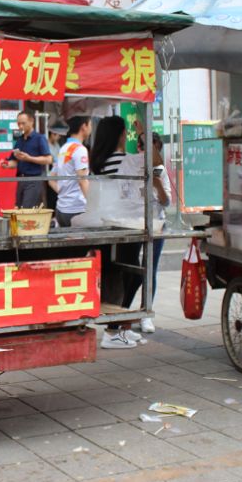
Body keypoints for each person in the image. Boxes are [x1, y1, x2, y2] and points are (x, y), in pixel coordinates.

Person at [89, 116, 147, 349]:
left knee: (117, 274)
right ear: (121, 135)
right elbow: (155, 161)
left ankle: (120, 326)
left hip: (105, 223)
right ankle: (113, 330)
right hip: (125, 224)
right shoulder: (123, 160)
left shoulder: (100, 161)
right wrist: (143, 134)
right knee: (133, 275)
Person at [121, 130, 172, 335]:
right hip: (133, 225)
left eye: (154, 149)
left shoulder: (161, 170)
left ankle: (145, 314)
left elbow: (167, 201)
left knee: (150, 269)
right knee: (131, 269)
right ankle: (123, 313)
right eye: (145, 148)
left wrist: (157, 185)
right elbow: (123, 195)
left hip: (156, 225)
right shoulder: (130, 166)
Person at [0, 111, 52, 208]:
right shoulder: (20, 140)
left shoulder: (39, 138)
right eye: (18, 124)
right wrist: (6, 164)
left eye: (23, 123)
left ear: (31, 121)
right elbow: (14, 161)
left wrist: (29, 158)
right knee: (18, 208)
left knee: (27, 209)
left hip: (34, 179)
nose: (20, 126)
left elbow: (48, 159)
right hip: (21, 179)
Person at [54, 116, 91, 227]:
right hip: (76, 209)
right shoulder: (80, 149)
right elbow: (82, 180)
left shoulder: (64, 148)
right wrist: (94, 204)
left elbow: (51, 178)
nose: (91, 128)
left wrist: (63, 192)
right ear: (84, 126)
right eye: (90, 125)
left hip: (61, 208)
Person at [44, 120, 67, 211]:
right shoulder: (46, 144)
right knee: (51, 197)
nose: (59, 137)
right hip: (49, 173)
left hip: (58, 174)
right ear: (52, 134)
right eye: (58, 135)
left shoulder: (57, 145)